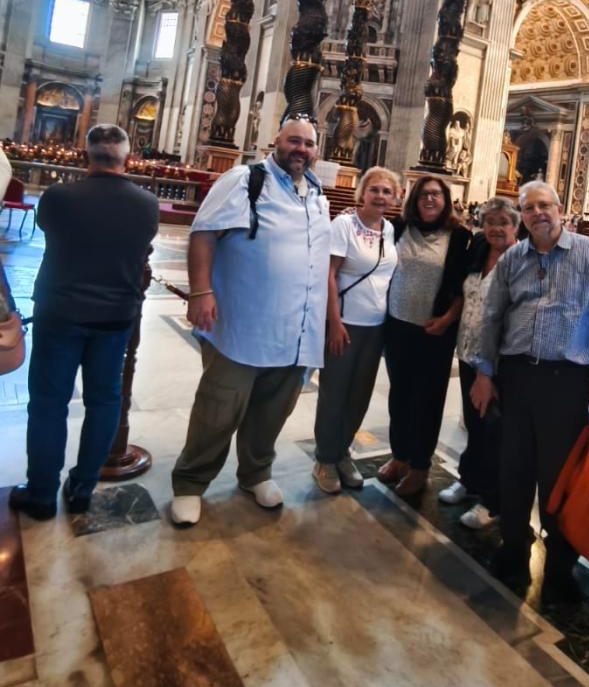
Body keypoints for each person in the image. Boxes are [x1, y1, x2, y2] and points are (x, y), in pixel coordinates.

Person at [170, 116, 331, 527]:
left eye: (309, 144)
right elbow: (204, 233)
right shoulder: (246, 179)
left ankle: (255, 473)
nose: (301, 149)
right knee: (219, 407)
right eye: (294, 141)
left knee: (272, 410)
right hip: (244, 324)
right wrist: (201, 291)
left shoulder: (315, 193)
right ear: (274, 141)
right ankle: (190, 483)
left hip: (294, 329)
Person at [471, 181, 589, 601]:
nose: (537, 213)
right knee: (514, 470)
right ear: (522, 215)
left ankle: (560, 567)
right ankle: (513, 554)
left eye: (544, 206)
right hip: (517, 376)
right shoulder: (512, 259)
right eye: (529, 208)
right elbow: (492, 317)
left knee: (561, 477)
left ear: (561, 210)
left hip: (567, 381)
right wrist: (484, 373)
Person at [9, 125, 159, 520]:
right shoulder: (146, 205)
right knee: (104, 401)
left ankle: (41, 494)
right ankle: (82, 489)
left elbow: (48, 229)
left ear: (84, 155)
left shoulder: (58, 198)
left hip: (60, 314)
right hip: (114, 319)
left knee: (48, 405)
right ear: (127, 158)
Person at [380, 174, 471, 496]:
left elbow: (465, 286)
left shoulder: (459, 236)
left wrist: (447, 319)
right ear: (414, 200)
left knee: (427, 400)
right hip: (397, 326)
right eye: (423, 195)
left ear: (446, 200)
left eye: (436, 195)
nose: (430, 200)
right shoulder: (399, 227)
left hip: (435, 330)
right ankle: (399, 456)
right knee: (400, 395)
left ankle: (420, 466)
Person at [312, 167, 400, 495]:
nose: (380, 196)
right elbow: (329, 275)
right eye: (374, 189)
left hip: (376, 327)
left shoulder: (389, 229)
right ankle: (324, 458)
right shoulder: (343, 225)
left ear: (395, 197)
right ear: (361, 193)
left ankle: (342, 452)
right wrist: (333, 322)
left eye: (387, 191)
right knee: (334, 392)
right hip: (344, 324)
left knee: (359, 396)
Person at [439, 197, 519, 529]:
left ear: (516, 226)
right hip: (469, 350)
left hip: (499, 360)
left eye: (503, 221)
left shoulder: (521, 260)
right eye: (490, 221)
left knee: (495, 429)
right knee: (474, 423)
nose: (496, 228)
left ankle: (492, 500)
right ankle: (469, 481)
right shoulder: (478, 249)